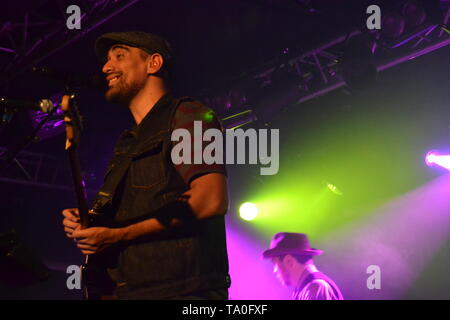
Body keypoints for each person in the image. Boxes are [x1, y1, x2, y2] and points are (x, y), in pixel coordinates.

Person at [62, 31, 230, 299]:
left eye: (119, 55)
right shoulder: (127, 143)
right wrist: (90, 221)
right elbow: (139, 212)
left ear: (153, 63)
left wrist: (116, 235)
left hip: (182, 292)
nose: (106, 67)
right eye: (106, 60)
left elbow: (210, 199)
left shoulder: (189, 115)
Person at [263, 232, 343, 300]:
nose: (275, 271)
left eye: (275, 264)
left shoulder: (314, 287)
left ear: (289, 261)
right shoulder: (307, 288)